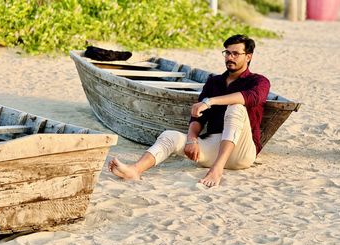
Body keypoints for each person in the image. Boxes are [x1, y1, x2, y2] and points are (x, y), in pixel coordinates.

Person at [108, 34, 270, 187]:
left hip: (242, 153)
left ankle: (217, 170)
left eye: (235, 54)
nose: (230, 57)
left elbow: (250, 97)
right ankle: (135, 170)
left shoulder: (259, 81)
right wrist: (192, 139)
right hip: (213, 148)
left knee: (235, 108)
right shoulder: (214, 82)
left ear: (248, 57)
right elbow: (198, 117)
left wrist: (209, 101)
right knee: (169, 136)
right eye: (227, 53)